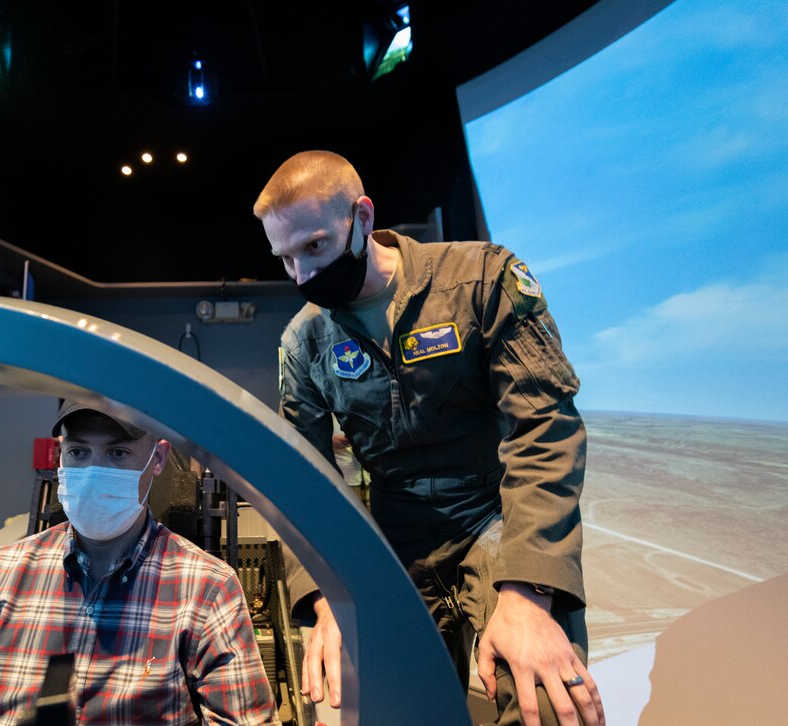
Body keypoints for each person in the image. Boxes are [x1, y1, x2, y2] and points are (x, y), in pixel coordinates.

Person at [254, 150, 605, 726]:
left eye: (314, 246)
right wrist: (325, 596)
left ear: (362, 217)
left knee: (546, 699)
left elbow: (543, 429)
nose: (303, 276)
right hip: (389, 538)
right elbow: (302, 482)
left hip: (495, 518)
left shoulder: (481, 280)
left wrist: (528, 594)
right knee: (363, 705)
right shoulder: (305, 342)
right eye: (286, 258)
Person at [0, 399, 279, 725]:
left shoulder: (207, 588)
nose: (93, 473)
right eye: (79, 453)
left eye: (117, 453)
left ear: (158, 457)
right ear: (60, 454)